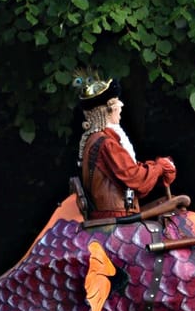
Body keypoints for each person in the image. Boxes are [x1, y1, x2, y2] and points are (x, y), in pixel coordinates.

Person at [73, 72, 176, 219]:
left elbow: (128, 170)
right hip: (117, 218)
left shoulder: (95, 139)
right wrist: (160, 167)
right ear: (106, 110)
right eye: (116, 102)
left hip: (113, 216)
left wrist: (156, 169)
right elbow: (134, 178)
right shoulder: (106, 144)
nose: (121, 107)